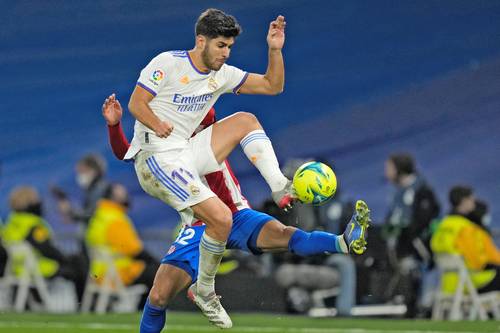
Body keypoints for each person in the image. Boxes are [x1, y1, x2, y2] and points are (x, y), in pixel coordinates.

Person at [102, 95, 371, 332]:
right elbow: (128, 153)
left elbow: (209, 113)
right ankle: (200, 293)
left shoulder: (208, 136)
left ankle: (343, 242)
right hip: (200, 225)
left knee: (286, 234)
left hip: (238, 214)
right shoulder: (166, 146)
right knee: (159, 297)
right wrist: (114, 126)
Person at [125, 8, 294, 327]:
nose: (225, 53)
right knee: (221, 217)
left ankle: (279, 185)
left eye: (229, 47)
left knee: (246, 120)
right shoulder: (167, 63)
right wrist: (156, 123)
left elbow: (273, 86)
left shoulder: (223, 73)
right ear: (200, 40)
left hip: (185, 153)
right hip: (156, 157)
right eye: (220, 45)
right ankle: (204, 290)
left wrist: (274, 49)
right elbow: (136, 104)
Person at [1, 186, 87, 304]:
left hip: (15, 269)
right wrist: (64, 258)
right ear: (29, 202)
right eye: (36, 199)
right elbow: (46, 249)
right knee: (78, 264)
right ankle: (83, 305)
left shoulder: (12, 221)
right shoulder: (33, 224)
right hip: (39, 268)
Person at [382, 153, 440, 317]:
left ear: (399, 169)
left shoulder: (421, 189)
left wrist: (413, 233)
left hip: (418, 246)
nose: (386, 172)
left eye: (389, 168)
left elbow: (428, 215)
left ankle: (423, 307)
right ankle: (409, 306)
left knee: (419, 273)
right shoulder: (397, 192)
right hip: (401, 245)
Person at [86, 183, 159, 309]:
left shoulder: (99, 215)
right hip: (118, 273)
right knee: (158, 274)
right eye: (123, 195)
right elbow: (134, 250)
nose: (127, 197)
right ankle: (145, 312)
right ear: (113, 198)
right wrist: (155, 261)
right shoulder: (116, 219)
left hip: (98, 273)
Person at [431, 185, 500, 293]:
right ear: (464, 201)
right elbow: (477, 261)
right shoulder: (465, 228)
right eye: (472, 199)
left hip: (449, 283)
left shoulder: (443, 224)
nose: (474, 202)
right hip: (470, 283)